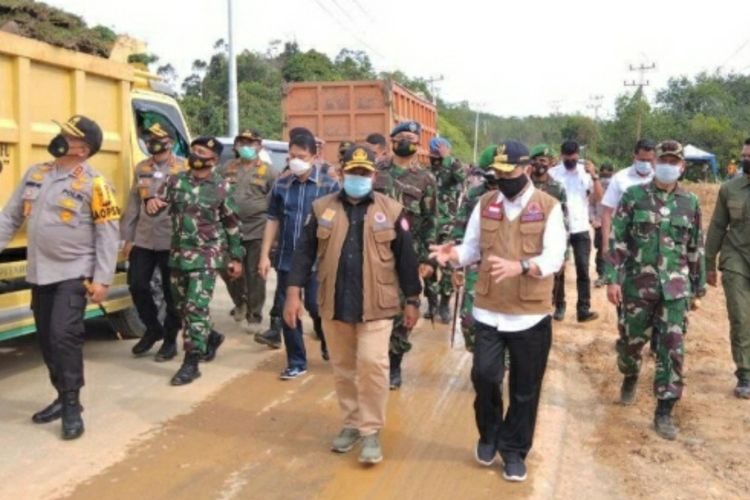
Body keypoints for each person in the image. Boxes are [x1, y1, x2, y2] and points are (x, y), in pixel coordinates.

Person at [430, 140, 566, 482]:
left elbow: (554, 258)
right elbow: (473, 246)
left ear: (525, 169)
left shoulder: (548, 206)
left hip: (530, 316)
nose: (503, 179)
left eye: (509, 172)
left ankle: (515, 450)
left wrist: (521, 266)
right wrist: (454, 254)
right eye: (498, 173)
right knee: (485, 377)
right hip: (489, 311)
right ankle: (489, 434)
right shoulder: (485, 203)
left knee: (524, 389)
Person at [285, 145, 421, 464]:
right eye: (353, 172)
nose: (358, 177)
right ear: (342, 172)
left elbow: (407, 259)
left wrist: (413, 300)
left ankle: (370, 430)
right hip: (335, 302)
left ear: (374, 175)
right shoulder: (321, 208)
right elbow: (303, 253)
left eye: (364, 172)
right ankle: (351, 423)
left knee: (373, 365)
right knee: (344, 369)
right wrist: (293, 292)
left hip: (378, 305)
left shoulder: (392, 210)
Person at [0, 115, 120, 439]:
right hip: (40, 272)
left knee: (63, 337)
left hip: (74, 272)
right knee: (46, 339)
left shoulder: (97, 184)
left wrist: (103, 279)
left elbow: (108, 233)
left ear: (83, 149)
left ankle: (71, 404)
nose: (59, 137)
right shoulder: (36, 173)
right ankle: (61, 394)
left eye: (68, 135)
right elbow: (10, 217)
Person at [605, 140, 705, 440]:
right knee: (630, 344)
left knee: (672, 348)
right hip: (638, 288)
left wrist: (696, 290)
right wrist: (612, 279)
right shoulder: (634, 197)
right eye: (664, 160)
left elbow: (695, 247)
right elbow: (617, 240)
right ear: (655, 163)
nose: (668, 165)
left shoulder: (691, 202)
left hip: (675, 291)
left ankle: (664, 410)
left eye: (674, 162)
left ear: (682, 166)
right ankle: (630, 373)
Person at [146, 136, 244, 386]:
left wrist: (235, 257)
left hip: (207, 256)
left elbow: (232, 225)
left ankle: (191, 362)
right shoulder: (175, 181)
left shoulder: (222, 187)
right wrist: (152, 204)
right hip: (179, 255)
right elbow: (157, 203)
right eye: (194, 151)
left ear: (212, 160)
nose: (195, 155)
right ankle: (210, 336)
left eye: (201, 152)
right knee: (181, 308)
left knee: (195, 307)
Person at [258, 129, 339, 379]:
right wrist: (264, 255)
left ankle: (326, 338)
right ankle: (296, 361)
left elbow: (338, 224)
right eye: (292, 156)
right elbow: (272, 220)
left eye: (301, 156)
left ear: (314, 157)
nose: (296, 160)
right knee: (287, 309)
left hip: (318, 260)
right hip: (287, 257)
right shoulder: (282, 184)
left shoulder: (329, 185)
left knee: (316, 306)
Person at [373, 120, 437, 389]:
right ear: (391, 140)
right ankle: (373, 360)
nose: (405, 141)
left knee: (403, 310)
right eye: (401, 137)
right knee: (374, 307)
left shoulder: (426, 179)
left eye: (411, 137)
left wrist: (427, 259)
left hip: (408, 256)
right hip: (375, 251)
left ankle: (394, 363)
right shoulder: (376, 172)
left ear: (417, 143)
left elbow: (431, 222)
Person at [121, 121, 185, 361]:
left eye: (157, 139)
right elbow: (134, 203)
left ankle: (169, 340)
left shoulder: (184, 167)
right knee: (137, 285)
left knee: (172, 294)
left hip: (173, 239)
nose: (152, 144)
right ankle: (152, 328)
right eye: (149, 140)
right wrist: (128, 237)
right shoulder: (142, 168)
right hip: (144, 238)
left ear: (169, 142)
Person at [217, 129, 275, 333]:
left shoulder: (268, 171)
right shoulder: (227, 168)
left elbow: (275, 201)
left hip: (257, 229)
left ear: (259, 146)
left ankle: (255, 315)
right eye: (242, 143)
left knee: (255, 274)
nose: (246, 147)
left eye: (251, 143)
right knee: (226, 267)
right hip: (230, 229)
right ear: (236, 146)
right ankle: (240, 302)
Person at [705, 137, 750, 399]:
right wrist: (708, 263)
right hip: (736, 260)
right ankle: (745, 373)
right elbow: (718, 226)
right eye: (744, 156)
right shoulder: (729, 189)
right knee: (741, 318)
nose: (746, 161)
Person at [449, 147, 502, 352]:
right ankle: (478, 354)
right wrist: (455, 267)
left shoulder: (520, 197)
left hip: (509, 263)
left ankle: (501, 361)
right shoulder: (473, 196)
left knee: (504, 318)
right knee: (469, 318)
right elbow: (459, 230)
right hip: (476, 262)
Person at [548, 140, 603, 322]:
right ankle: (559, 306)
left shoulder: (585, 173)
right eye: (567, 157)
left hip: (580, 227)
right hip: (558, 228)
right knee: (558, 269)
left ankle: (583, 309)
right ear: (562, 155)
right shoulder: (553, 173)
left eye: (574, 157)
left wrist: (594, 176)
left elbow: (598, 198)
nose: (570, 160)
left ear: (578, 155)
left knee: (583, 268)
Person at [424, 137, 466, 324]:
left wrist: (447, 158)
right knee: (428, 264)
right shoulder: (425, 171)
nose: (436, 156)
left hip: (449, 224)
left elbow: (463, 177)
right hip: (429, 224)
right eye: (434, 152)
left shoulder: (453, 169)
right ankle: (432, 303)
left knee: (448, 266)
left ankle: (444, 303)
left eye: (439, 152)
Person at [528, 144, 569, 321]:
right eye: (536, 160)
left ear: (550, 163)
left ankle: (559, 303)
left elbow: (564, 219)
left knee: (557, 272)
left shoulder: (557, 188)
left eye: (543, 161)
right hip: (529, 236)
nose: (540, 164)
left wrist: (565, 251)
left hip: (550, 236)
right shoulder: (524, 184)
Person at [600, 139, 656, 254]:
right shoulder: (620, 178)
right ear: (634, 156)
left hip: (652, 243)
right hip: (624, 241)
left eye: (649, 160)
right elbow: (607, 213)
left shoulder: (659, 179)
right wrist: (606, 244)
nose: (646, 163)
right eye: (642, 160)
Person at [591, 163, 614, 288]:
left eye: (608, 173)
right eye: (603, 173)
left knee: (616, 248)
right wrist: (592, 219)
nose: (605, 177)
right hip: (599, 222)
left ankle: (611, 275)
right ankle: (602, 275)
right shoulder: (595, 185)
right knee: (601, 249)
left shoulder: (617, 185)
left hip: (615, 221)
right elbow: (590, 204)